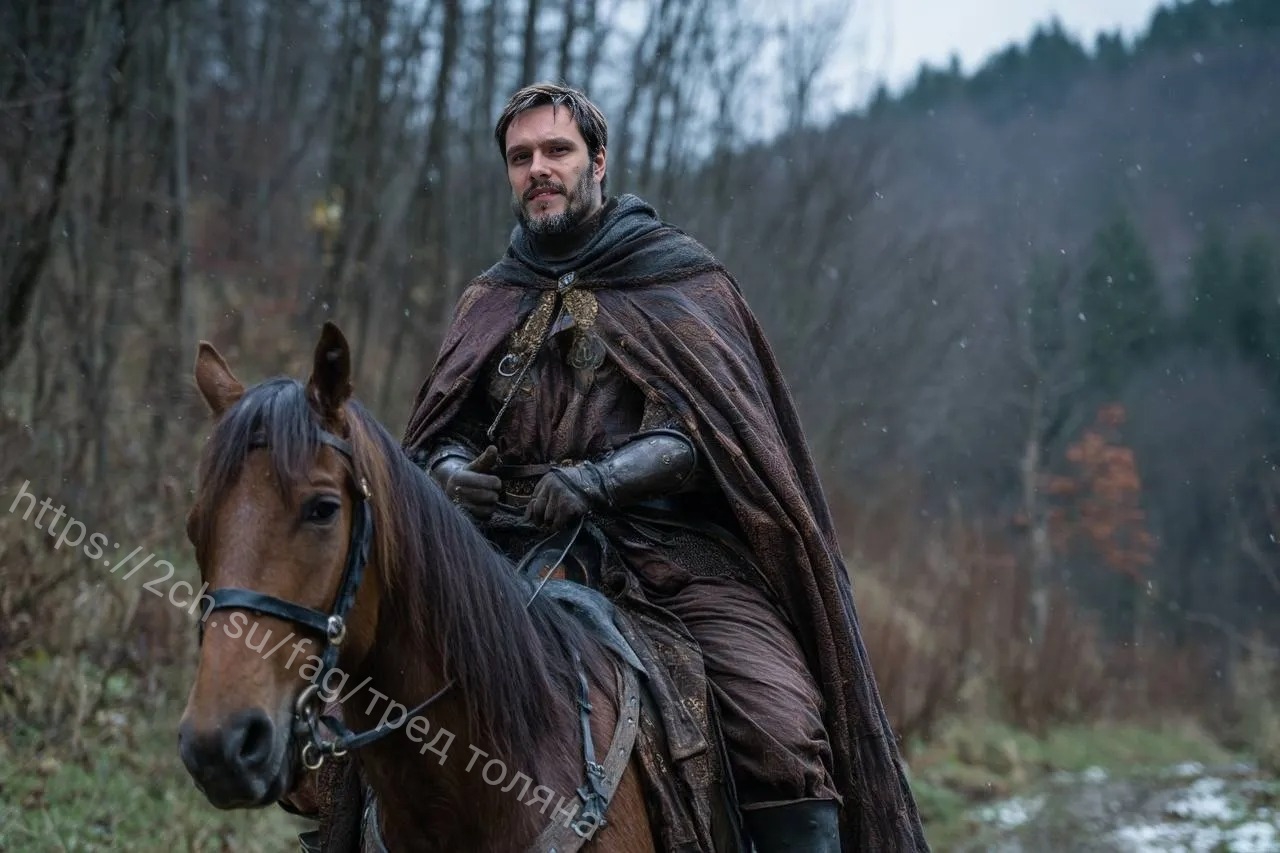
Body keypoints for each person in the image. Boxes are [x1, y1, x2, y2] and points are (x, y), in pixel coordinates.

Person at [401, 82, 929, 852]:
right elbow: (444, 427)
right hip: (507, 549)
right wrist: (449, 471)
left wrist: (598, 480)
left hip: (671, 556)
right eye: (521, 157)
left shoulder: (678, 279)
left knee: (781, 728)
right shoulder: (491, 298)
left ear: (598, 162)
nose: (538, 169)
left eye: (557, 151)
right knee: (370, 699)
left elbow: (706, 431)